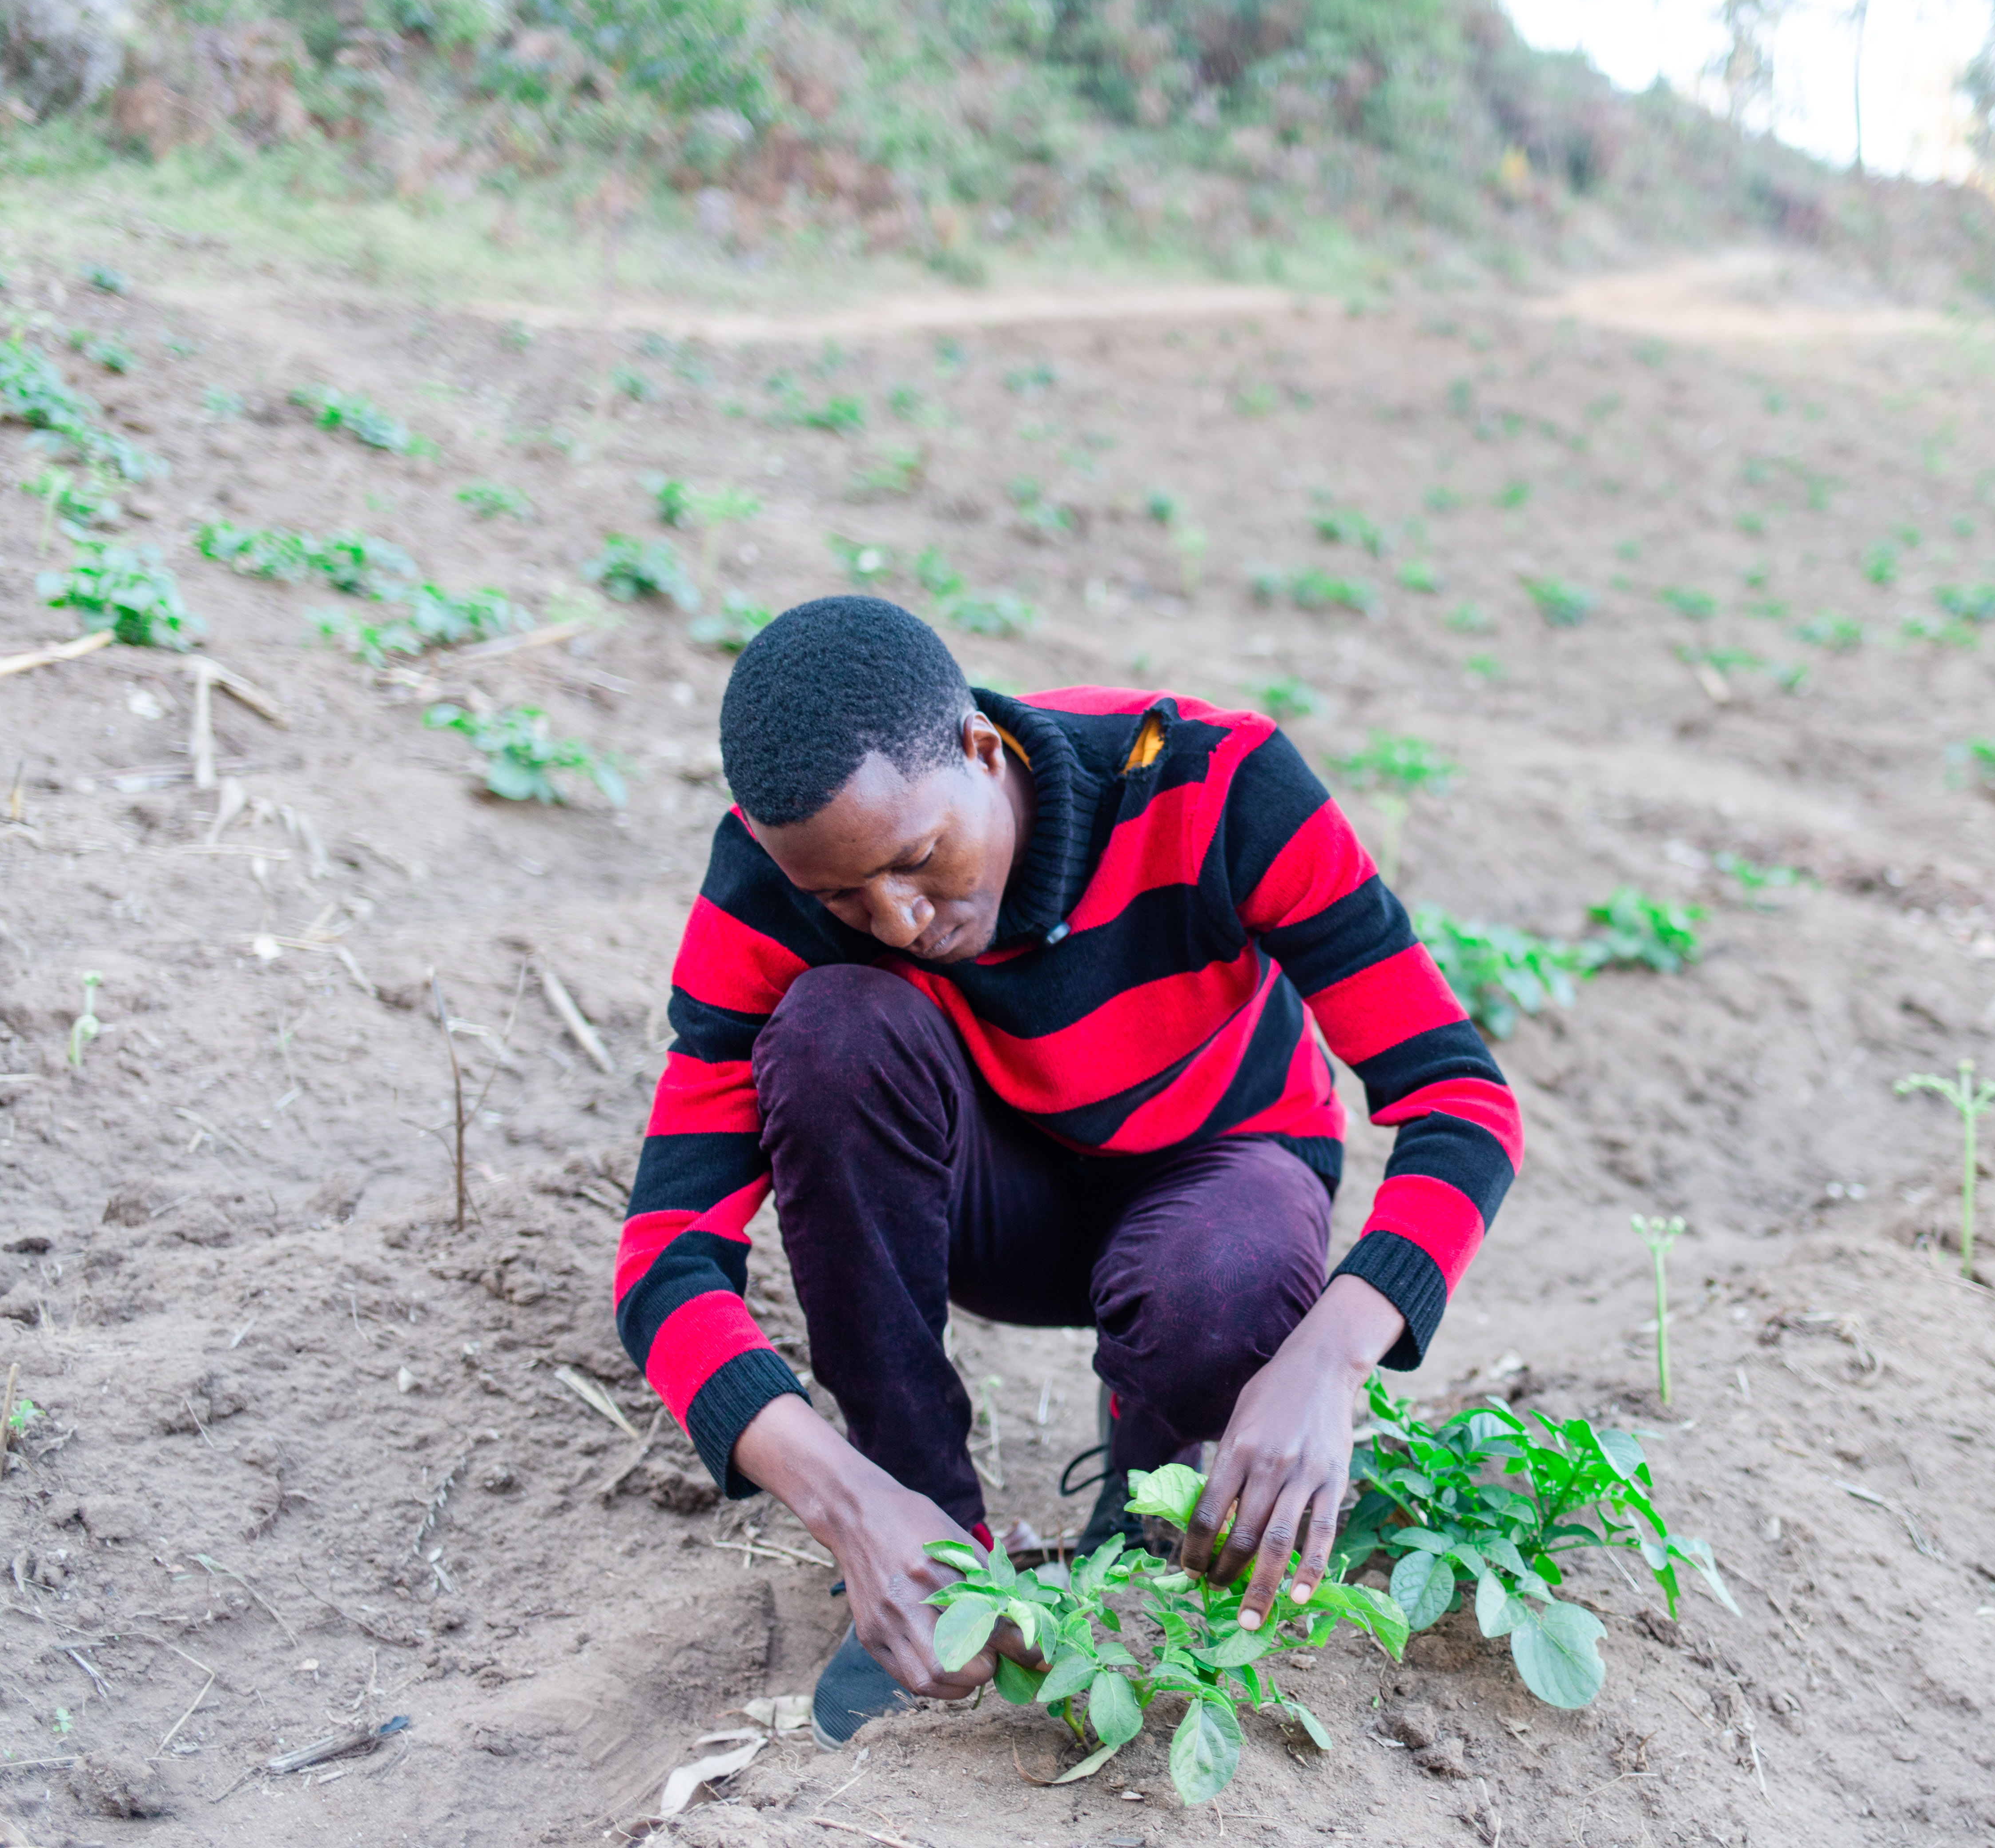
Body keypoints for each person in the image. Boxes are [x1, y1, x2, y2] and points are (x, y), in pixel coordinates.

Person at [612, 596, 1523, 1747]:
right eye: (842, 896)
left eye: (918, 859)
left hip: (1226, 1165)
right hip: (1000, 1203)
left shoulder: (1213, 784)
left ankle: (1154, 1487)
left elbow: (1460, 1099)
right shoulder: (765, 880)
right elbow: (662, 1262)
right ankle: (939, 1547)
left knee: (1220, 1314)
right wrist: (848, 1500)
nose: (893, 918)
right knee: (831, 1034)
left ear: (983, 751)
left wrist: (1330, 1359)